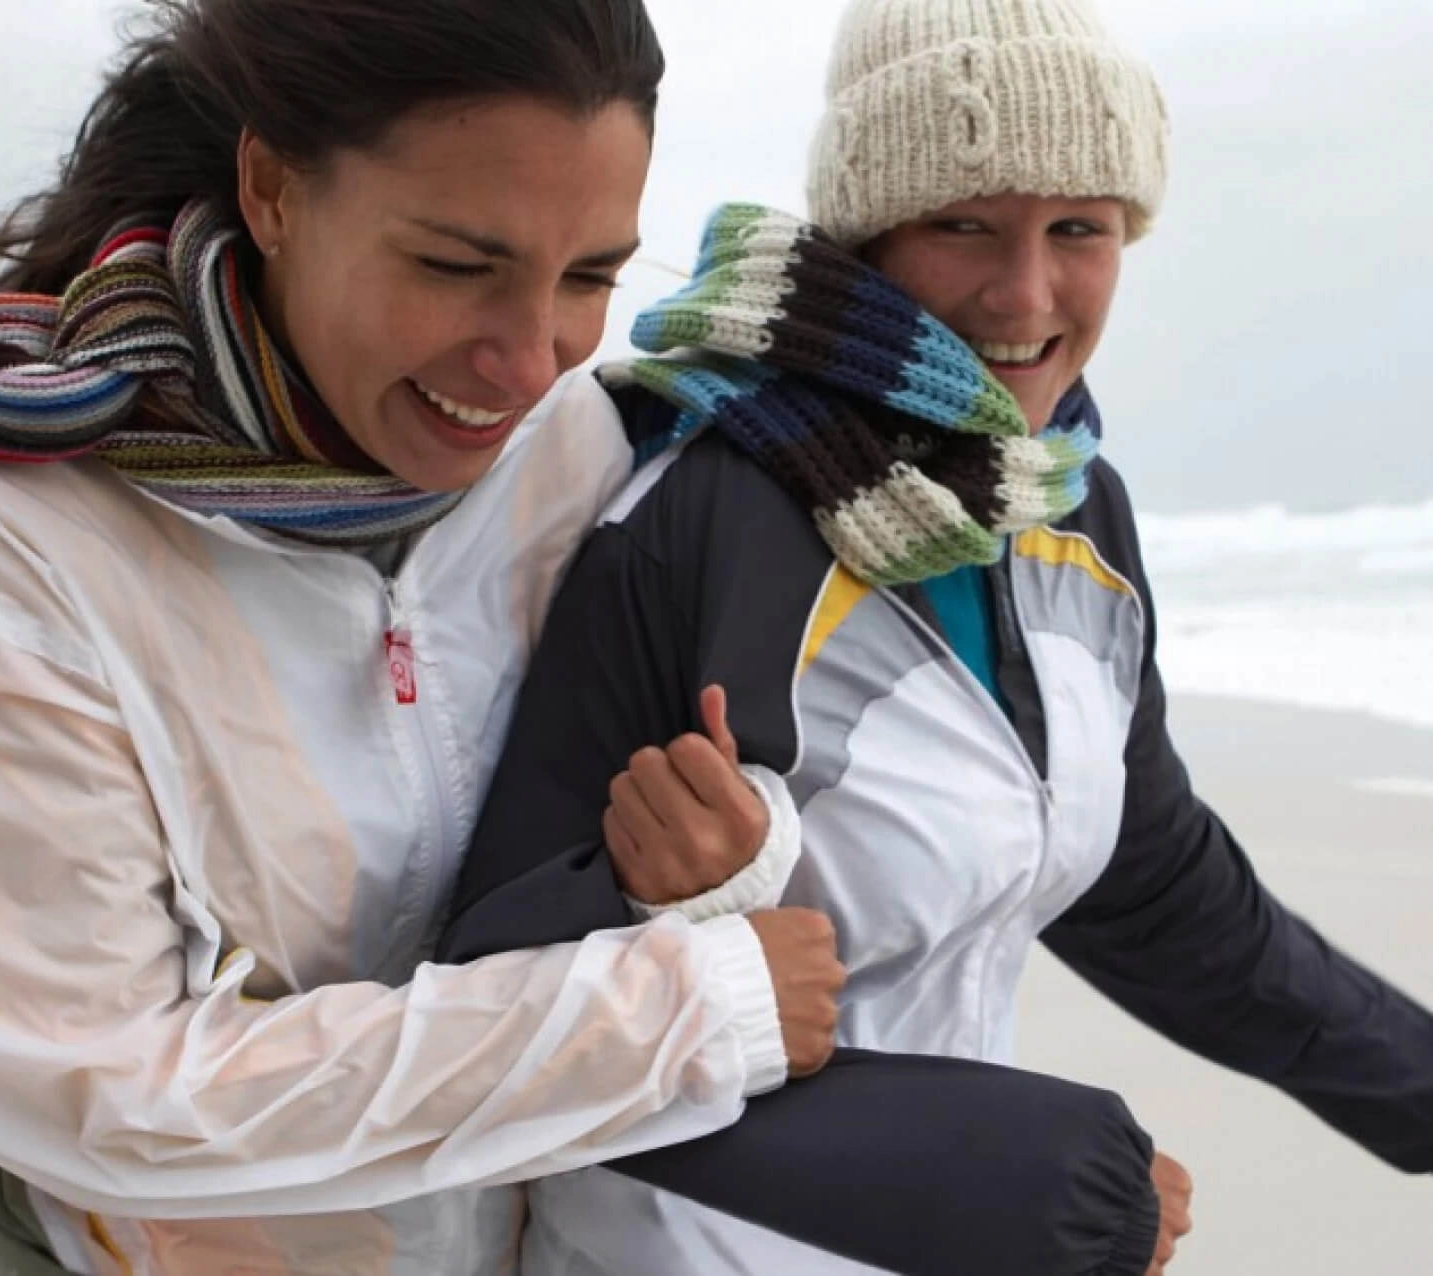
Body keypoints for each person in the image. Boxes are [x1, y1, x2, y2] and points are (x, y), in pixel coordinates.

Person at [0, 2, 861, 1272]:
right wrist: (679, 1012)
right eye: (456, 265)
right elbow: (106, 1094)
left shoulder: (573, 455)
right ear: (273, 189)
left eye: (594, 275)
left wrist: (726, 863)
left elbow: (595, 833)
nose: (528, 358)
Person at [441, 0, 1433, 1272]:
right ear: (868, 237)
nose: (1026, 293)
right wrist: (1000, 1166)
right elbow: (497, 980)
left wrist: (1415, 1090)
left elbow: (1157, 888)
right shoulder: (703, 513)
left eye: (1079, 227)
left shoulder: (1068, 500)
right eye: (965, 224)